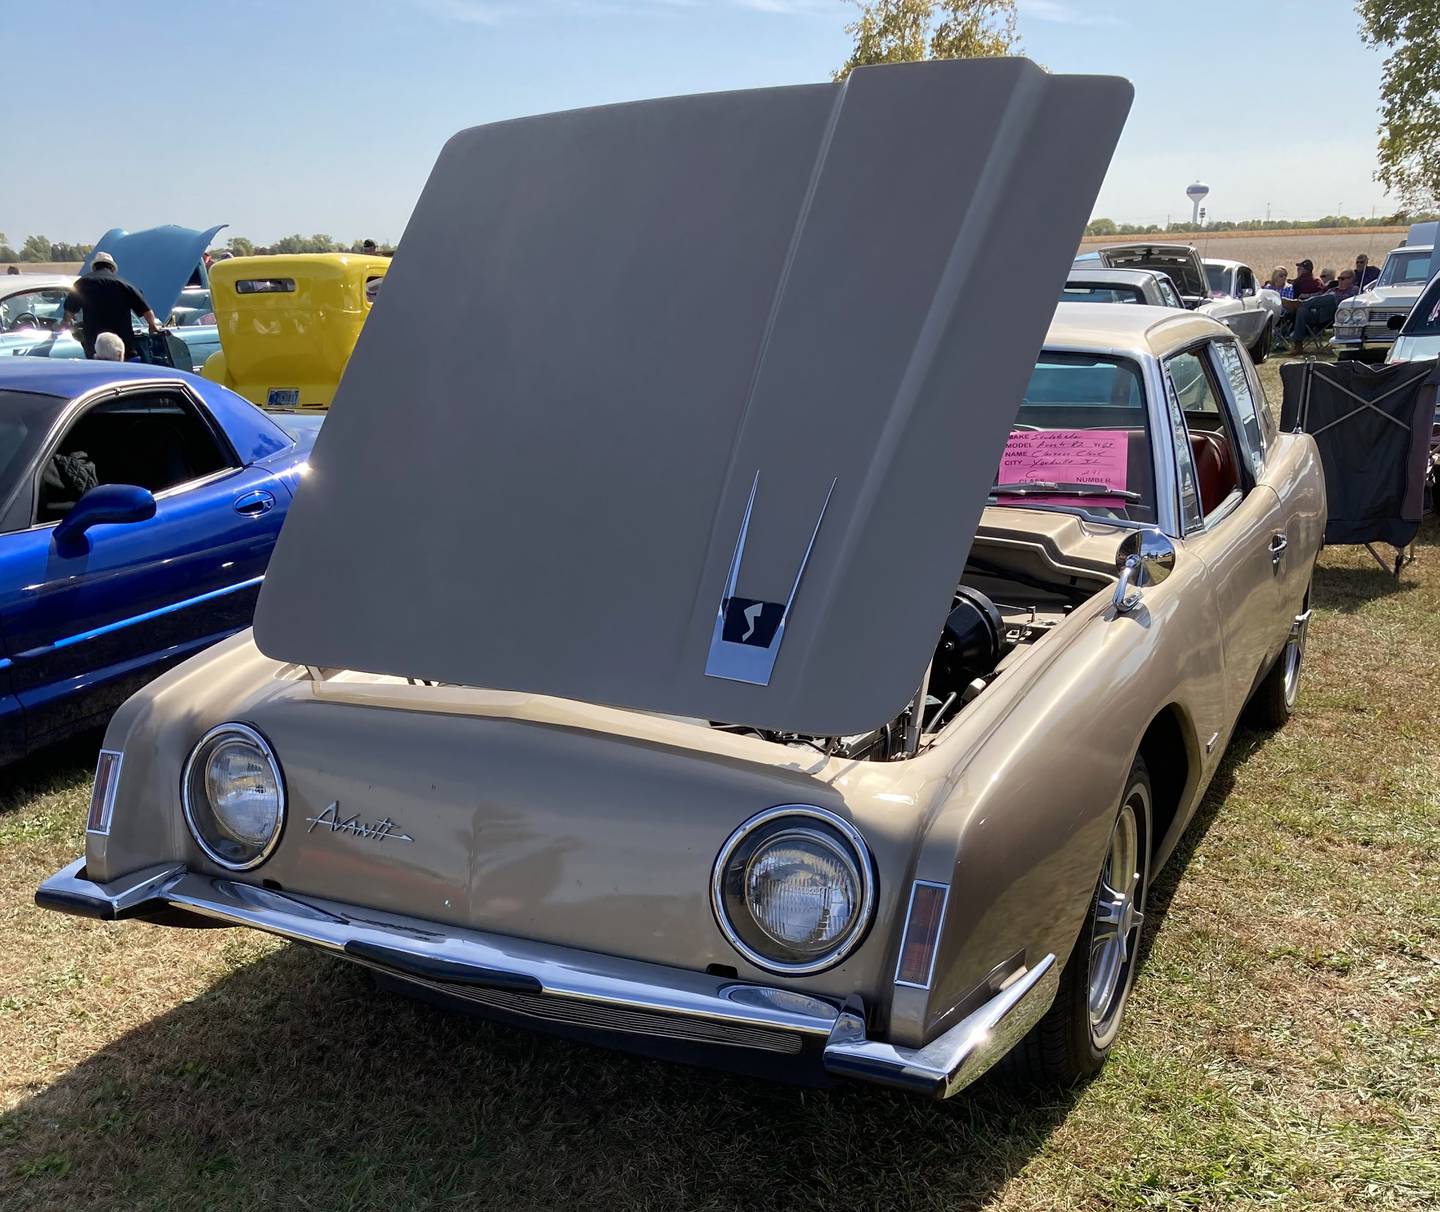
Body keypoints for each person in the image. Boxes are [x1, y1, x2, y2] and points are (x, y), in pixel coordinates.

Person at [62, 251, 163, 359]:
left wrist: (65, 325)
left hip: (95, 345)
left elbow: (69, 312)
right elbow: (146, 310)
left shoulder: (82, 283)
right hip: (122, 345)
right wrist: (152, 326)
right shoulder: (125, 284)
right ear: (112, 268)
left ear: (94, 267)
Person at [1290, 267, 1357, 349]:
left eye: (1342, 279)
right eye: (1339, 278)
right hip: (1320, 315)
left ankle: (1301, 304)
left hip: (1336, 315)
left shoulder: (1354, 290)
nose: (1339, 280)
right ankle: (1298, 345)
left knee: (1331, 298)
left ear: (1351, 279)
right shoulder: (1332, 289)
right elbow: (1319, 298)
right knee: (1302, 310)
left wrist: (1333, 297)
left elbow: (1347, 303)